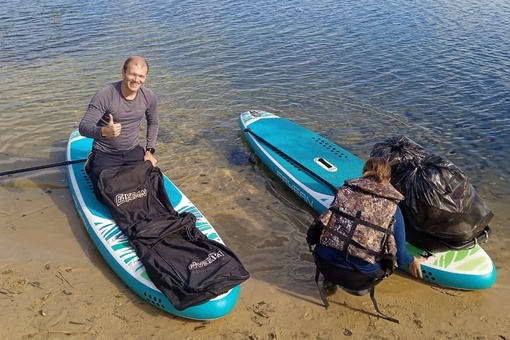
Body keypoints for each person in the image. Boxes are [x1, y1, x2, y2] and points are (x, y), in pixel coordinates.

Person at [312, 157, 425, 298]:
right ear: (389, 179)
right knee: (381, 261)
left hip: (324, 262)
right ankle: (357, 289)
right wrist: (412, 260)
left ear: (363, 172)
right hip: (359, 280)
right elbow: (401, 256)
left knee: (338, 242)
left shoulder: (343, 192)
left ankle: (329, 281)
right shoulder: (393, 208)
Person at [78, 55, 159, 200]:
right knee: (107, 196)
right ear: (123, 72)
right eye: (132, 74)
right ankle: (92, 165)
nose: (136, 80)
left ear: (146, 77)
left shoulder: (149, 96)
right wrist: (103, 131)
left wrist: (149, 151)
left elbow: (153, 123)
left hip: (132, 151)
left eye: (141, 76)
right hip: (105, 153)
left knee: (147, 190)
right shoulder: (106, 94)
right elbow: (83, 127)